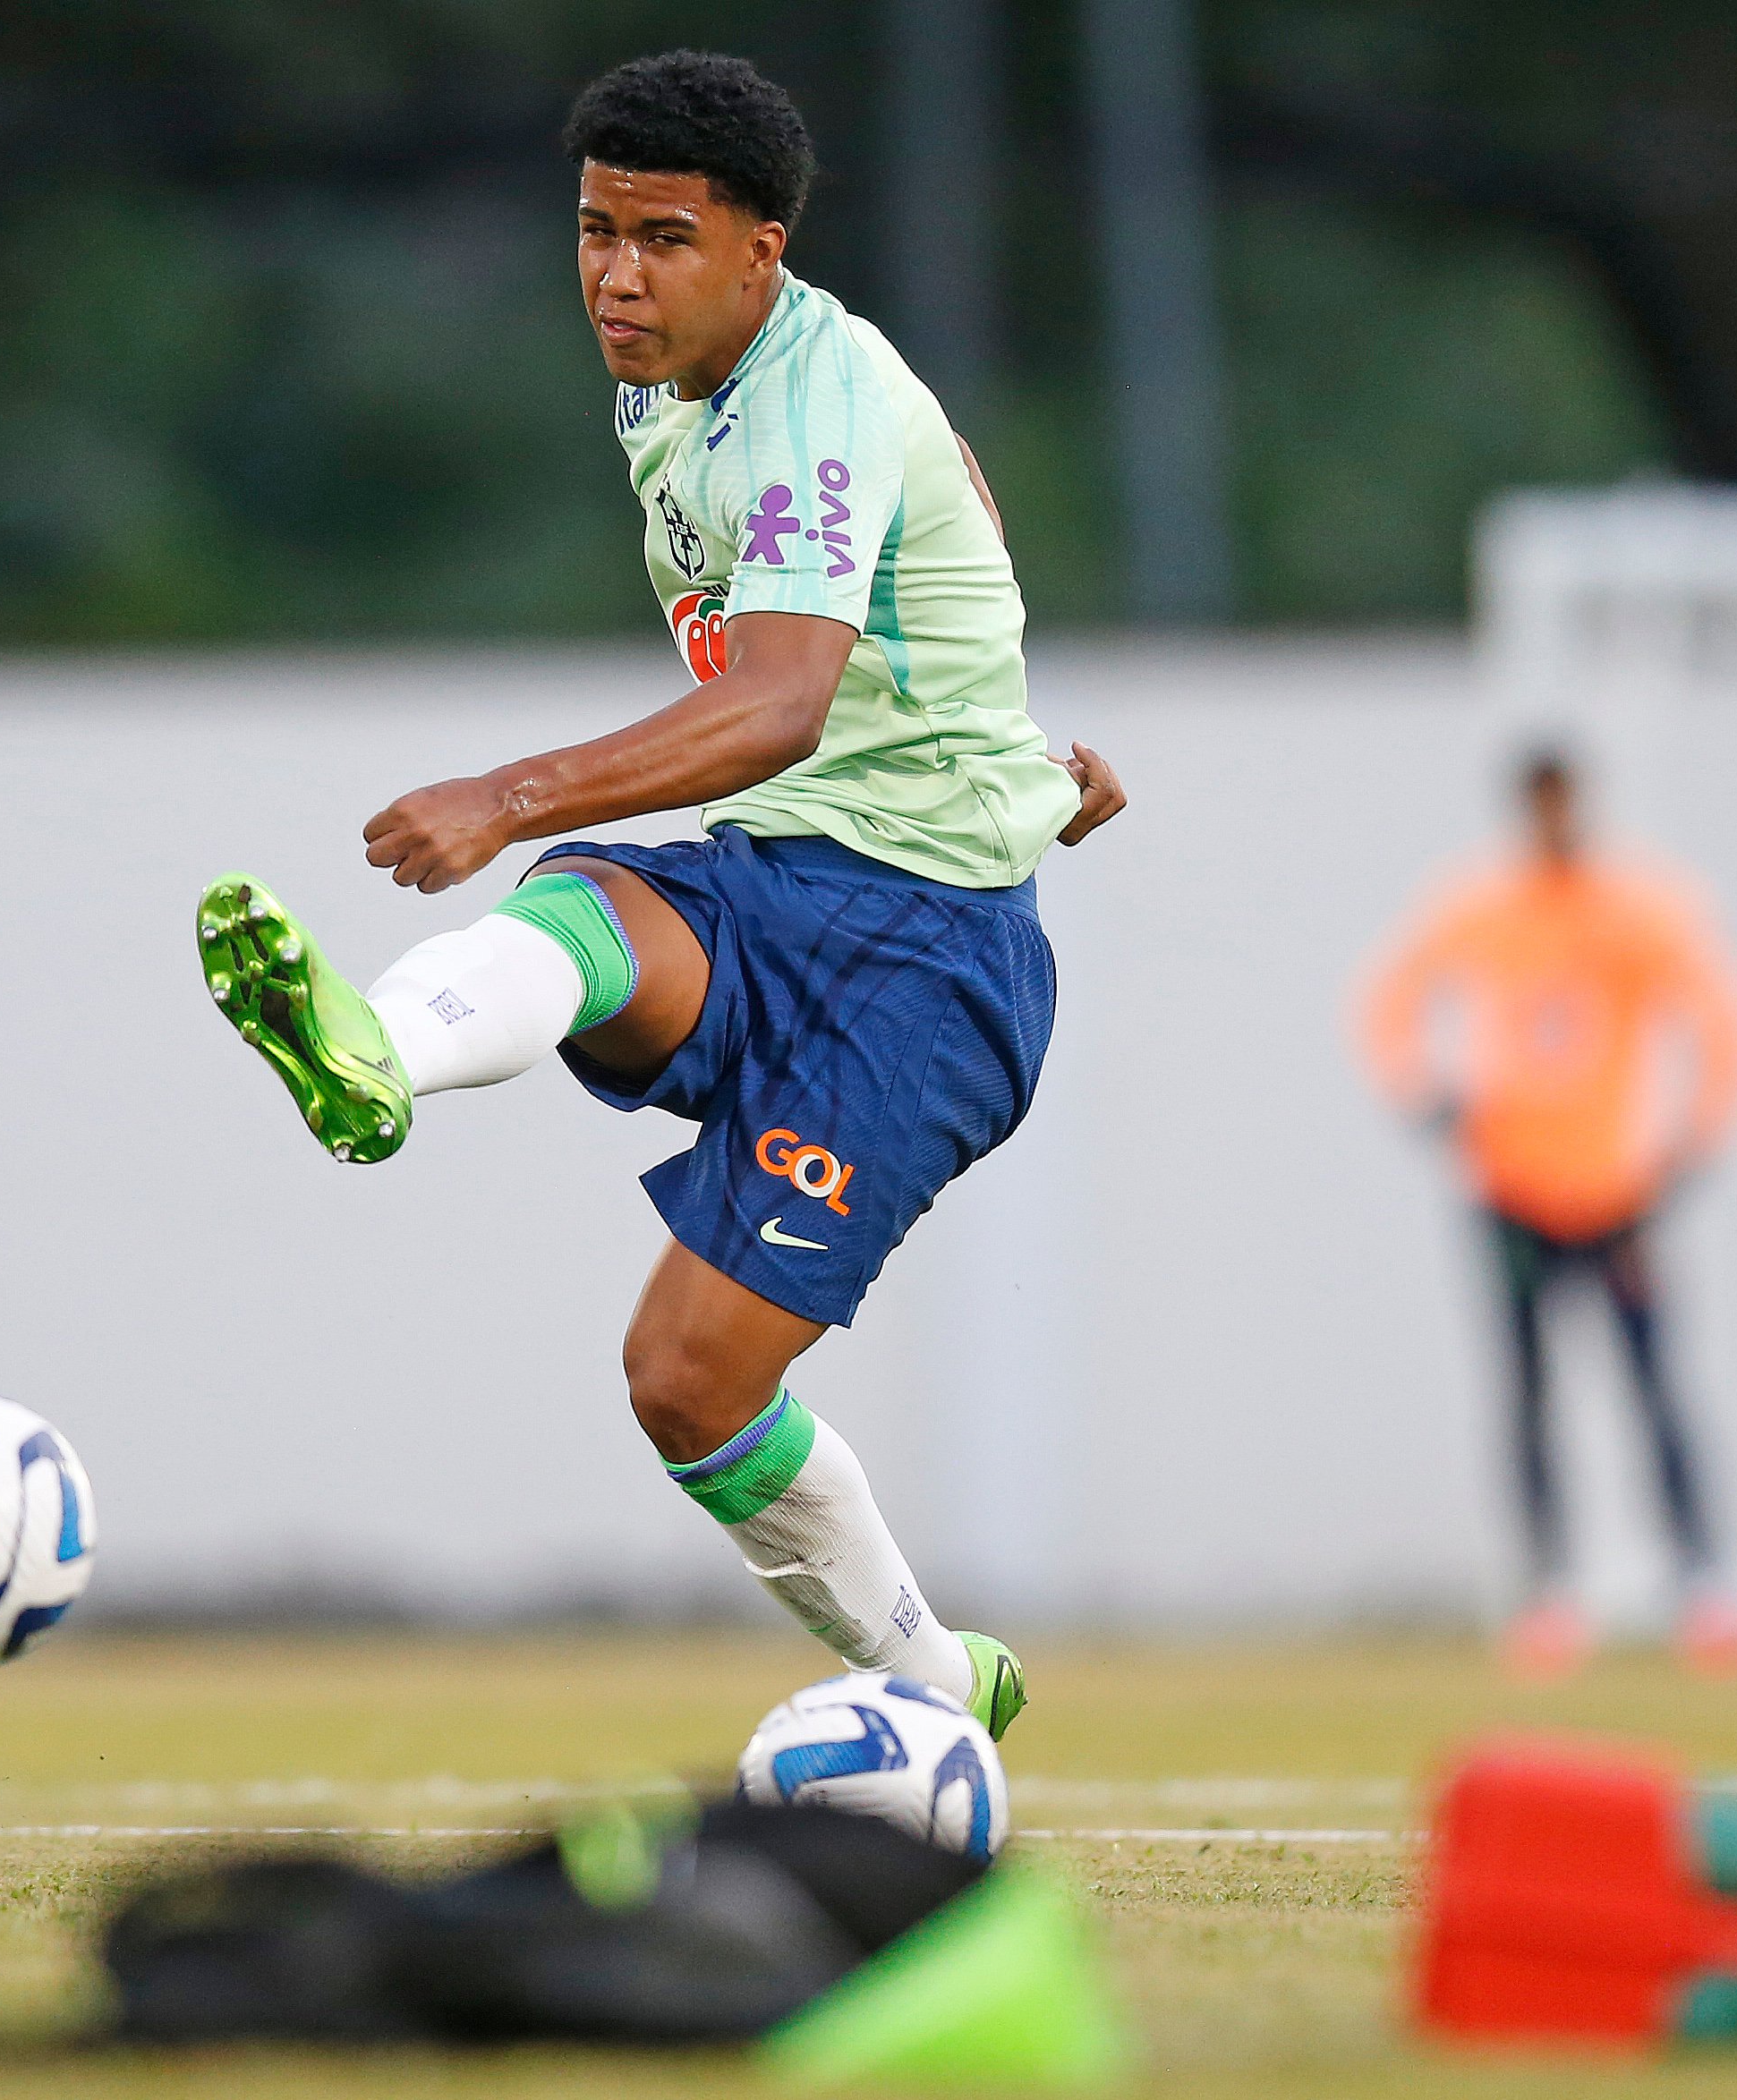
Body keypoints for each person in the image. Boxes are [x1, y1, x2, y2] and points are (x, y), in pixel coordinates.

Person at [192, 50, 1124, 1741]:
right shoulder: (673, 380)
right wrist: (1018, 731)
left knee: (687, 1381)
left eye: (665, 238)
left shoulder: (812, 398)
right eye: (595, 230)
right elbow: (954, 489)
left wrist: (501, 788)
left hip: (927, 959)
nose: (618, 275)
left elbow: (773, 705)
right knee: (591, 910)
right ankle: (376, 1051)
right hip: (784, 877)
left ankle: (930, 1685)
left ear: (763, 250)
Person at [1358, 748, 1737, 1679]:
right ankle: (1548, 1589)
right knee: (1527, 1392)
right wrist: (1425, 1094)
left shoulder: (1637, 906)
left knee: (1653, 1387)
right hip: (1511, 1191)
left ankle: (1703, 1584)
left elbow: (1723, 1018)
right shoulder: (1481, 904)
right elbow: (1388, 998)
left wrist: (1692, 1135)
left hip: (1614, 1191)